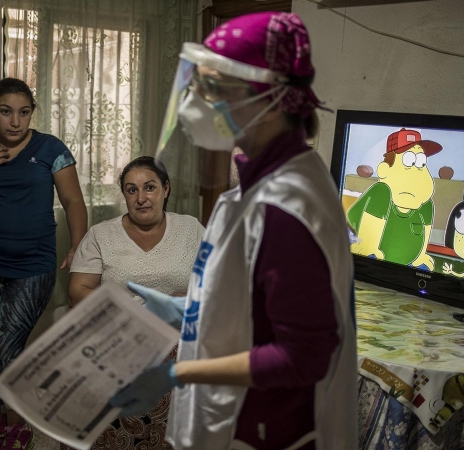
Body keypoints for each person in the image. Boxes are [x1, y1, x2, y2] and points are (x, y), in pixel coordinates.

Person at [109, 12, 357, 450]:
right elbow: (249, 300)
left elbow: (302, 357)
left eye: (213, 89)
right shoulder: (260, 180)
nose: (198, 102)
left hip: (267, 425)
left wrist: (175, 373)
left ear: (266, 99)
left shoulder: (287, 205)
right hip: (239, 413)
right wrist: (186, 309)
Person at [0, 77, 87, 450]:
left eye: (24, 112)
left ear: (32, 114)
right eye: (6, 112)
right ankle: (12, 407)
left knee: (8, 344)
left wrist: (78, 246)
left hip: (34, 265)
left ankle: (16, 426)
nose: (15, 121)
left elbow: (73, 201)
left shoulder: (50, 148)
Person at [64, 156, 204, 450]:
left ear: (166, 189)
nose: (141, 198)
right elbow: (79, 291)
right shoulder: (101, 235)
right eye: (131, 190)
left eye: (149, 187)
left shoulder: (191, 230)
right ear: (124, 194)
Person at [347, 128, 443, 271]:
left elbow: (426, 230)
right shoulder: (381, 192)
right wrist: (367, 247)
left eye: (421, 163)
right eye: (409, 160)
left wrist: (421, 256)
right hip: (370, 262)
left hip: (405, 271)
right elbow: (352, 217)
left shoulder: (425, 204)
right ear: (385, 169)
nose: (416, 172)